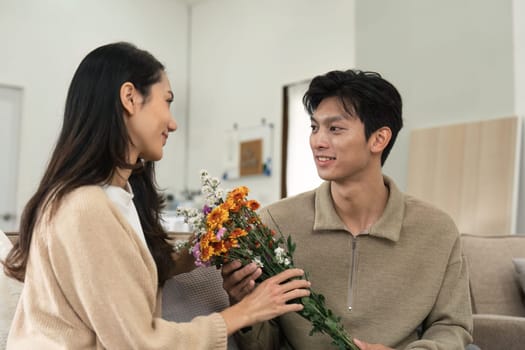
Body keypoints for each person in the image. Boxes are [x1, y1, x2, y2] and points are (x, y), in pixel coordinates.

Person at [1, 42, 310, 350]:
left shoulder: (116, 195)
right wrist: (245, 312)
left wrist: (199, 251)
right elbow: (139, 343)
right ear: (130, 98)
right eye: (167, 101)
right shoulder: (85, 206)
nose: (173, 124)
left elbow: (122, 277)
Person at [222, 69, 473, 350]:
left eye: (335, 129)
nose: (318, 141)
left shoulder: (436, 229)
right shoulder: (274, 223)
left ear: (378, 139)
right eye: (315, 127)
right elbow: (264, 344)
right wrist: (243, 304)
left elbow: (452, 325)